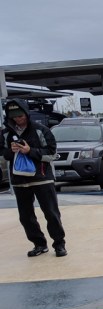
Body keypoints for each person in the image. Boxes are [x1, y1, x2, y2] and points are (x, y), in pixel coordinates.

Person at [2, 99, 67, 257]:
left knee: (51, 213)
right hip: (19, 181)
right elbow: (3, 153)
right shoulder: (5, 133)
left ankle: (59, 244)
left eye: (21, 115)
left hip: (42, 178)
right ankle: (39, 244)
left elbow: (51, 153)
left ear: (26, 113)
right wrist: (11, 151)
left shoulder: (40, 130)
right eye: (14, 116)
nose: (18, 119)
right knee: (25, 216)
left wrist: (30, 151)